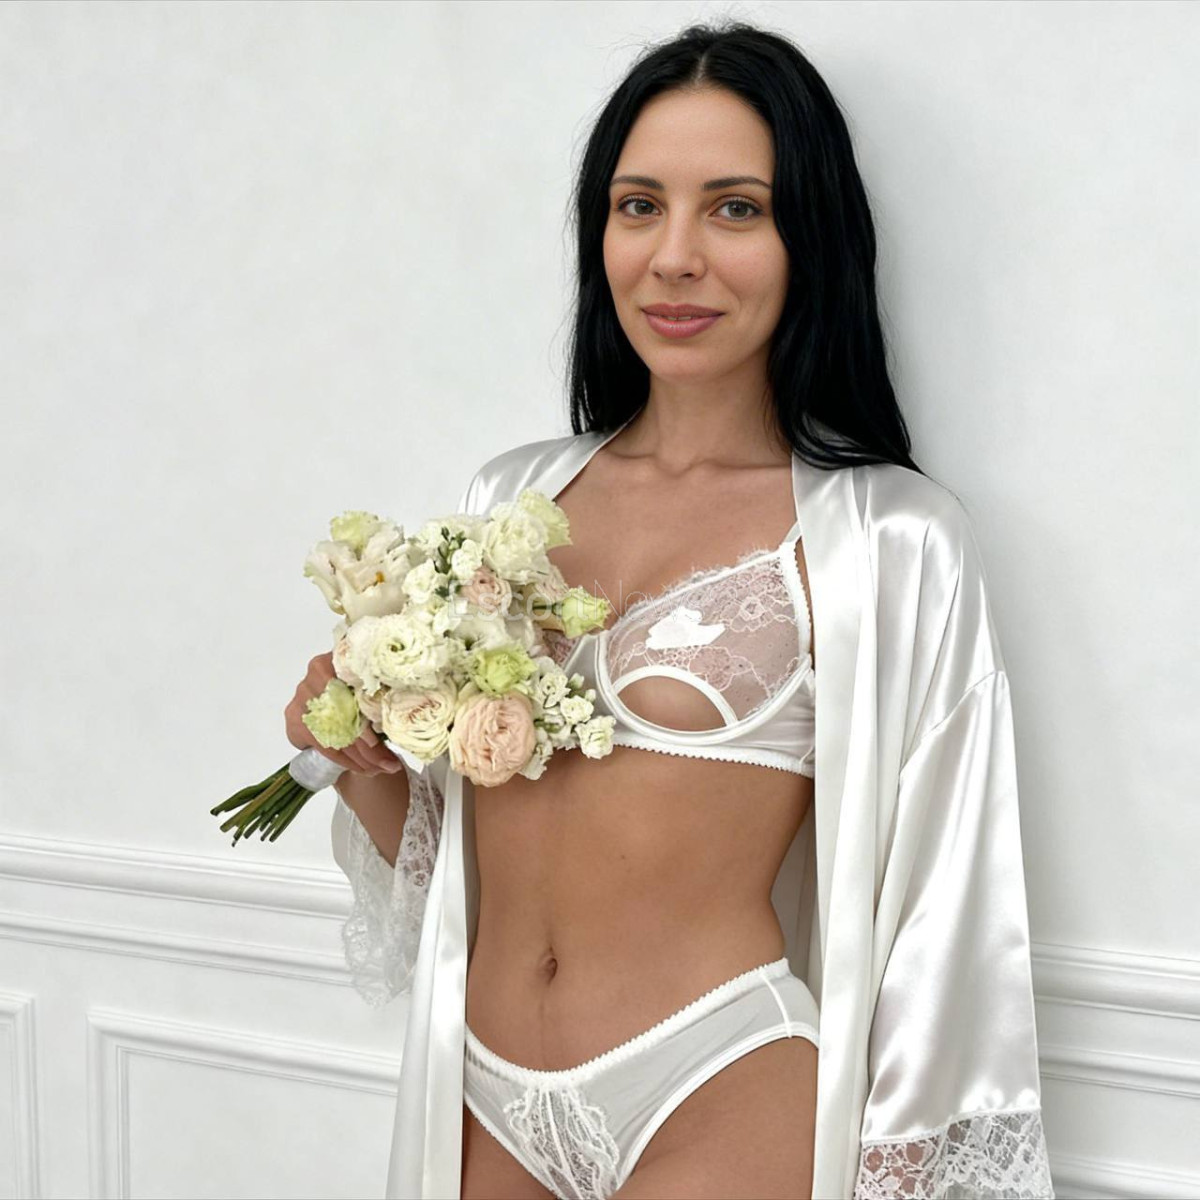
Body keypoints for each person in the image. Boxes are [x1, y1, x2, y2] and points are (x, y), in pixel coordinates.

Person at [289, 19, 1055, 1200]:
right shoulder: (511, 500)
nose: (676, 257)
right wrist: (356, 752)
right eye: (638, 206)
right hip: (481, 1090)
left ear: (809, 238)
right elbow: (452, 876)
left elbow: (943, 906)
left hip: (715, 1089)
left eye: (735, 209)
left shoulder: (889, 537)